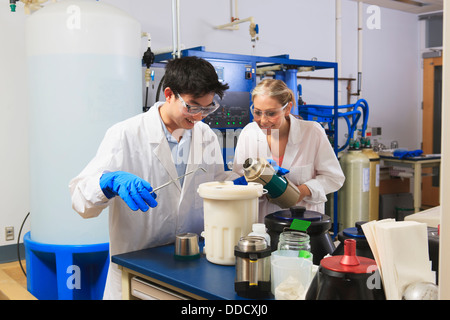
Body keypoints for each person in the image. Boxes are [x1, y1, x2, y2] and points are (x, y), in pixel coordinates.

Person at [69, 56, 237, 300]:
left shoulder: (205, 135)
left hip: (191, 266)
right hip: (137, 265)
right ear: (169, 94)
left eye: (208, 108)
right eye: (192, 106)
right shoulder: (125, 134)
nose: (200, 116)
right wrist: (109, 182)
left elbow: (215, 181)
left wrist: (240, 184)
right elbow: (80, 200)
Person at [232, 79, 345, 222]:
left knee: (299, 243)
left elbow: (334, 178)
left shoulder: (312, 132)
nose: (263, 120)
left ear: (287, 108)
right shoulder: (249, 133)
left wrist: (302, 191)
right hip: (262, 224)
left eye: (271, 113)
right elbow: (238, 178)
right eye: (257, 112)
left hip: (301, 223)